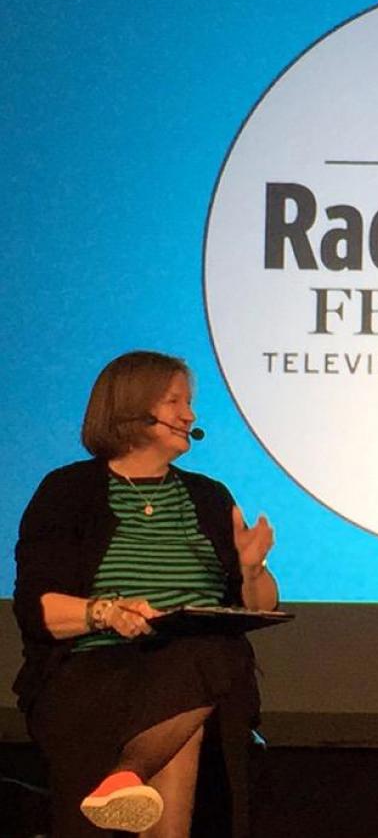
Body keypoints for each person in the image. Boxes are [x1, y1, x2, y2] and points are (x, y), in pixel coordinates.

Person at [13, 351, 279, 837]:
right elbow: (38, 609)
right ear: (131, 406)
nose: (189, 415)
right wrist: (107, 613)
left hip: (195, 664)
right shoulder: (69, 490)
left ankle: (126, 776)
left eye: (189, 403)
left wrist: (251, 566)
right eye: (175, 401)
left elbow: (258, 608)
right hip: (94, 670)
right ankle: (127, 777)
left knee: (211, 650)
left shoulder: (208, 496)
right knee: (199, 680)